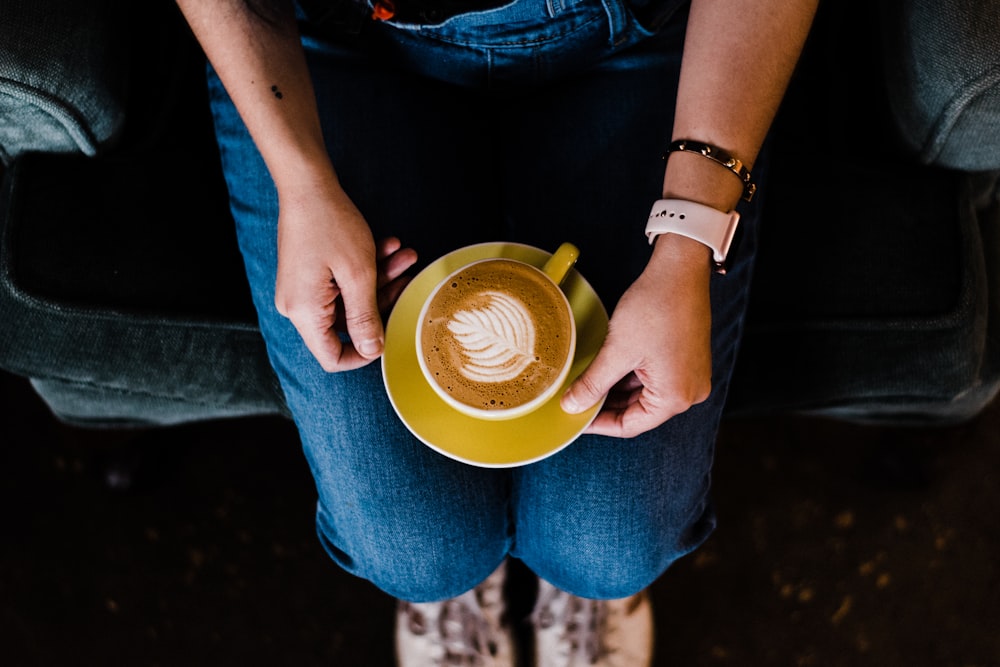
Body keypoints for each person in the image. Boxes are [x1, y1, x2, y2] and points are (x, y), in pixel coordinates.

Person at [175, 0, 817, 663]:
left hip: (641, 33)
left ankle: (578, 588)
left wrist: (687, 241)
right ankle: (462, 573)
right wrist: (302, 183)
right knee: (419, 553)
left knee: (609, 550)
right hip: (331, 42)